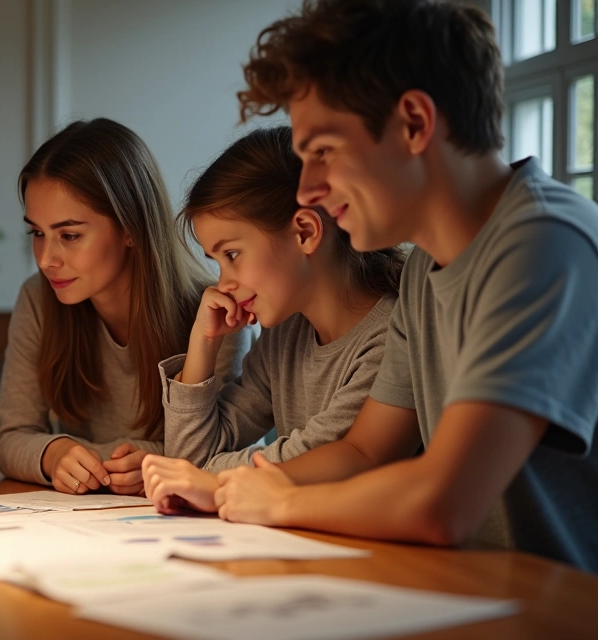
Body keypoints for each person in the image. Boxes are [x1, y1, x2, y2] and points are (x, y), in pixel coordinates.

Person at [147, 0, 598, 572]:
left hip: (563, 604)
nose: (307, 189)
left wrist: (283, 501)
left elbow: (443, 503)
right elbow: (363, 451)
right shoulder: (422, 271)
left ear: (413, 123)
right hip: (473, 588)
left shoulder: (542, 242)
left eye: (323, 153)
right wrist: (230, 488)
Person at [0, 118, 256, 495]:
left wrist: (152, 460)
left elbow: (230, 450)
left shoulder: (217, 313)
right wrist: (54, 453)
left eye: (69, 235)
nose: (46, 258)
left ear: (130, 229)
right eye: (37, 233)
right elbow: (10, 437)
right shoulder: (38, 298)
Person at [143, 126, 401, 490]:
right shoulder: (285, 333)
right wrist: (202, 343)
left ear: (306, 233)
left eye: (232, 255)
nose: (223, 284)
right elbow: (188, 458)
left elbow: (321, 458)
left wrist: (207, 476)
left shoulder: (389, 335)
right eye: (217, 261)